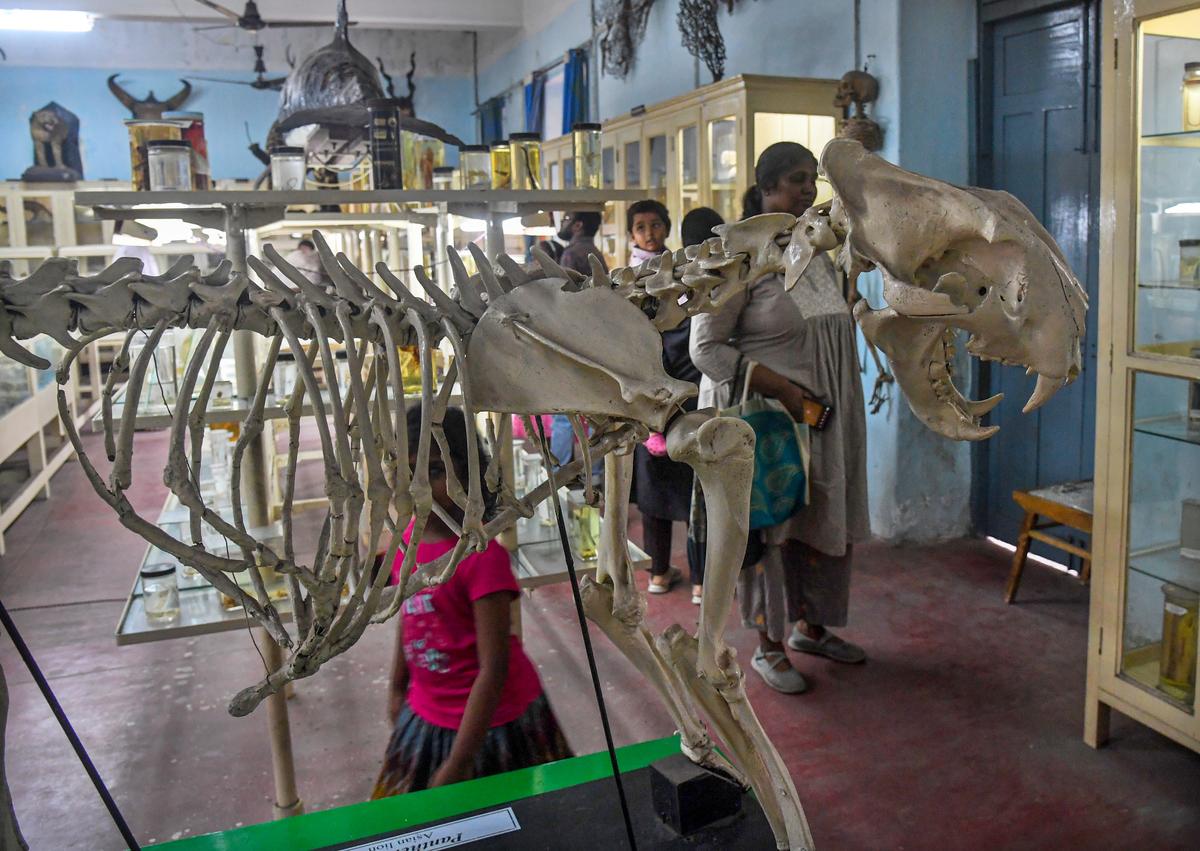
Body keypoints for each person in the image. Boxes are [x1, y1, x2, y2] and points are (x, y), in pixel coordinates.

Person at [690, 142, 870, 694]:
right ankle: (767, 645)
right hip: (770, 421)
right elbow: (705, 347)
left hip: (826, 418)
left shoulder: (814, 250)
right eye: (797, 181)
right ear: (767, 187)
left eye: (812, 181)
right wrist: (785, 392)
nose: (809, 192)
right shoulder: (741, 257)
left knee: (821, 521)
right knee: (772, 530)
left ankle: (811, 627)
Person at [373, 406, 572, 796]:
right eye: (406, 472)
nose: (418, 489)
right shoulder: (405, 543)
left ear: (468, 475)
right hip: (427, 713)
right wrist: (398, 687)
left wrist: (459, 763)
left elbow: (494, 668)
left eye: (433, 472)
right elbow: (411, 614)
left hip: (491, 727)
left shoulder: (482, 559)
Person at [633, 206, 724, 603]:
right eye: (641, 227)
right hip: (693, 400)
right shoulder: (712, 289)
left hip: (657, 400)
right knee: (696, 492)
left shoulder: (651, 286)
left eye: (656, 226)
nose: (649, 233)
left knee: (663, 490)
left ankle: (660, 572)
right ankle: (698, 578)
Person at [557, 211, 606, 276]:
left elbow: (566, 284)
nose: (562, 221)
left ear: (578, 225)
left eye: (567, 218)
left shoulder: (571, 254)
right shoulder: (595, 251)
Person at [626, 199, 670, 265]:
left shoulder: (671, 258)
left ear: (667, 229)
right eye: (640, 227)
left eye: (655, 225)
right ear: (632, 236)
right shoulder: (636, 270)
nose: (649, 233)